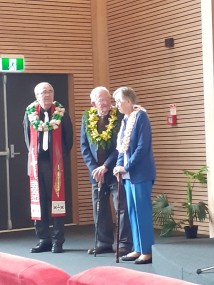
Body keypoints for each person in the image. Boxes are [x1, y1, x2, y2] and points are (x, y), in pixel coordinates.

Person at [80, 86, 132, 256]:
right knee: (100, 208)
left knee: (121, 207)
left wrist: (106, 166)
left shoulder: (119, 117)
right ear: (93, 102)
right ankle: (103, 242)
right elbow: (84, 146)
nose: (104, 103)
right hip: (96, 173)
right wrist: (94, 168)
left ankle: (124, 243)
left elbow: (120, 147)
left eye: (106, 99)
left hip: (115, 170)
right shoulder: (87, 118)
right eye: (100, 100)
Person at [23, 82, 73, 253]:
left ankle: (57, 240)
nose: (48, 95)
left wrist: (60, 157)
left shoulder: (61, 113)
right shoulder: (30, 114)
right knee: (40, 202)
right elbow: (27, 139)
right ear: (37, 96)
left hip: (55, 165)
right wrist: (34, 157)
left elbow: (68, 138)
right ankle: (44, 239)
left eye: (51, 91)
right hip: (38, 165)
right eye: (44, 92)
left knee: (56, 201)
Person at [113, 86, 155, 264]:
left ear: (129, 101)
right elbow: (122, 148)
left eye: (119, 101)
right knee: (132, 211)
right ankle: (137, 248)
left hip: (140, 173)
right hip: (128, 174)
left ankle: (147, 249)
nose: (117, 105)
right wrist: (118, 166)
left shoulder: (141, 117)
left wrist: (127, 166)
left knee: (142, 211)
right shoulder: (125, 120)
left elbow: (141, 148)